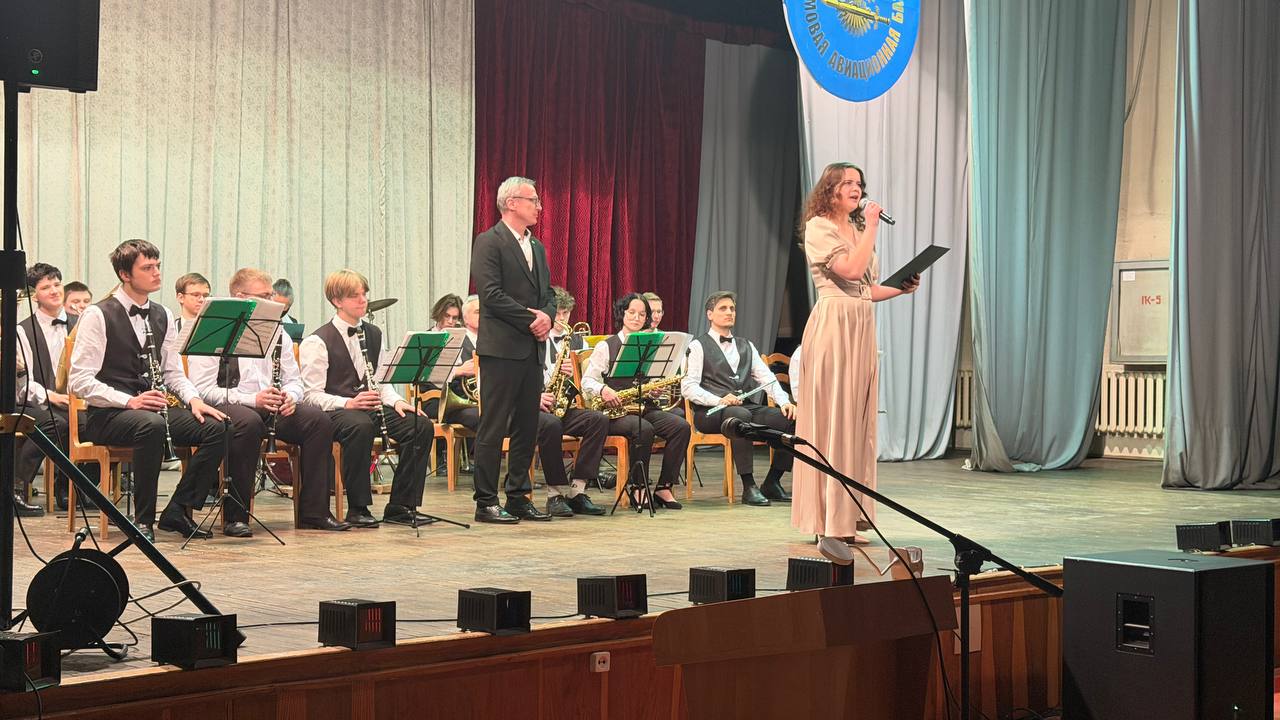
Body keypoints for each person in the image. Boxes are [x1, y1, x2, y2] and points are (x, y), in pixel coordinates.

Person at [69, 240, 229, 541]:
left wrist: (194, 399)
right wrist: (130, 401)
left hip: (151, 410)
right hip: (108, 414)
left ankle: (178, 509)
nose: (156, 273)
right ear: (125, 274)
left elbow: (172, 371)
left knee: (217, 427)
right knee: (151, 425)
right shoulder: (97, 314)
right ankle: (142, 520)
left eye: (157, 266)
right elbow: (79, 380)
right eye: (147, 268)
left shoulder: (163, 314)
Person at [792, 163, 919, 545]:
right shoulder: (819, 226)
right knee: (834, 422)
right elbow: (849, 271)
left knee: (856, 426)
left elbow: (865, 289)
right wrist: (873, 226)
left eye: (859, 183)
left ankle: (848, 518)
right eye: (847, 182)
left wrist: (901, 287)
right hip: (834, 326)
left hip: (860, 325)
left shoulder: (857, 229)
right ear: (829, 189)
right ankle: (827, 520)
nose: (856, 188)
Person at [187, 268, 350, 535]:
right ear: (241, 297)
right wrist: (253, 399)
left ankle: (314, 512)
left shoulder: (278, 331)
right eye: (264, 296)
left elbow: (294, 380)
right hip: (230, 403)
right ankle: (235, 516)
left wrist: (290, 397)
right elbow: (202, 389)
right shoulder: (214, 328)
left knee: (318, 421)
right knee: (248, 423)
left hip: (271, 406)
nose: (272, 302)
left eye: (270, 295)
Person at [298, 269, 434, 528]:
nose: (363, 300)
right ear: (337, 301)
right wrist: (348, 403)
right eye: (355, 296)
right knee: (360, 426)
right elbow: (310, 395)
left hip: (367, 407)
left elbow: (381, 381)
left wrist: (397, 401)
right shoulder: (317, 341)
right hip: (334, 410)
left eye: (364, 294)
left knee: (420, 425)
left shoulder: (374, 334)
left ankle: (401, 505)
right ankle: (358, 508)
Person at [468, 176, 558, 524]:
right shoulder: (489, 241)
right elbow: (491, 294)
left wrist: (548, 317)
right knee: (493, 426)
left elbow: (548, 294)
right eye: (533, 200)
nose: (539, 206)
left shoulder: (537, 246)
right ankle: (486, 500)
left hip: (532, 349)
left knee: (527, 425)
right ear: (511, 203)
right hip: (502, 349)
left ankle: (519, 495)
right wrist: (531, 320)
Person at [682, 291, 795, 506]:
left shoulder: (746, 345)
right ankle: (748, 486)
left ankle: (772, 481)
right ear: (709, 314)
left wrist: (785, 402)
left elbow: (768, 379)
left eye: (732, 309)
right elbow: (688, 387)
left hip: (743, 408)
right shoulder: (697, 346)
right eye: (723, 308)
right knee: (739, 416)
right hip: (709, 413)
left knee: (790, 419)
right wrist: (719, 400)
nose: (729, 312)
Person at [582, 293, 690, 509]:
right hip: (616, 411)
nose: (636, 318)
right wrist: (604, 390)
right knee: (644, 429)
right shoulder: (606, 346)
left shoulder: (651, 346)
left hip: (642, 406)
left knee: (681, 427)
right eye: (631, 312)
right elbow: (587, 381)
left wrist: (654, 390)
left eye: (642, 314)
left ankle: (664, 487)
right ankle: (638, 487)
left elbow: (650, 381)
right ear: (622, 314)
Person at [536, 286, 608, 516]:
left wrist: (576, 370)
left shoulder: (578, 341)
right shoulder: (531, 338)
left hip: (563, 406)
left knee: (598, 420)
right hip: (535, 407)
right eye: (557, 313)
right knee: (551, 424)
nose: (561, 319)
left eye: (565, 313)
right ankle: (554, 494)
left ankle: (578, 490)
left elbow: (588, 383)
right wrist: (536, 396)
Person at [17, 263, 76, 511]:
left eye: (57, 284)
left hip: (72, 400)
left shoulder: (80, 324)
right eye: (45, 287)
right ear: (34, 295)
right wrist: (52, 396)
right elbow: (23, 383)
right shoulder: (22, 330)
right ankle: (16, 487)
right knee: (56, 423)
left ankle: (70, 488)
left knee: (93, 423)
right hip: (34, 401)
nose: (54, 290)